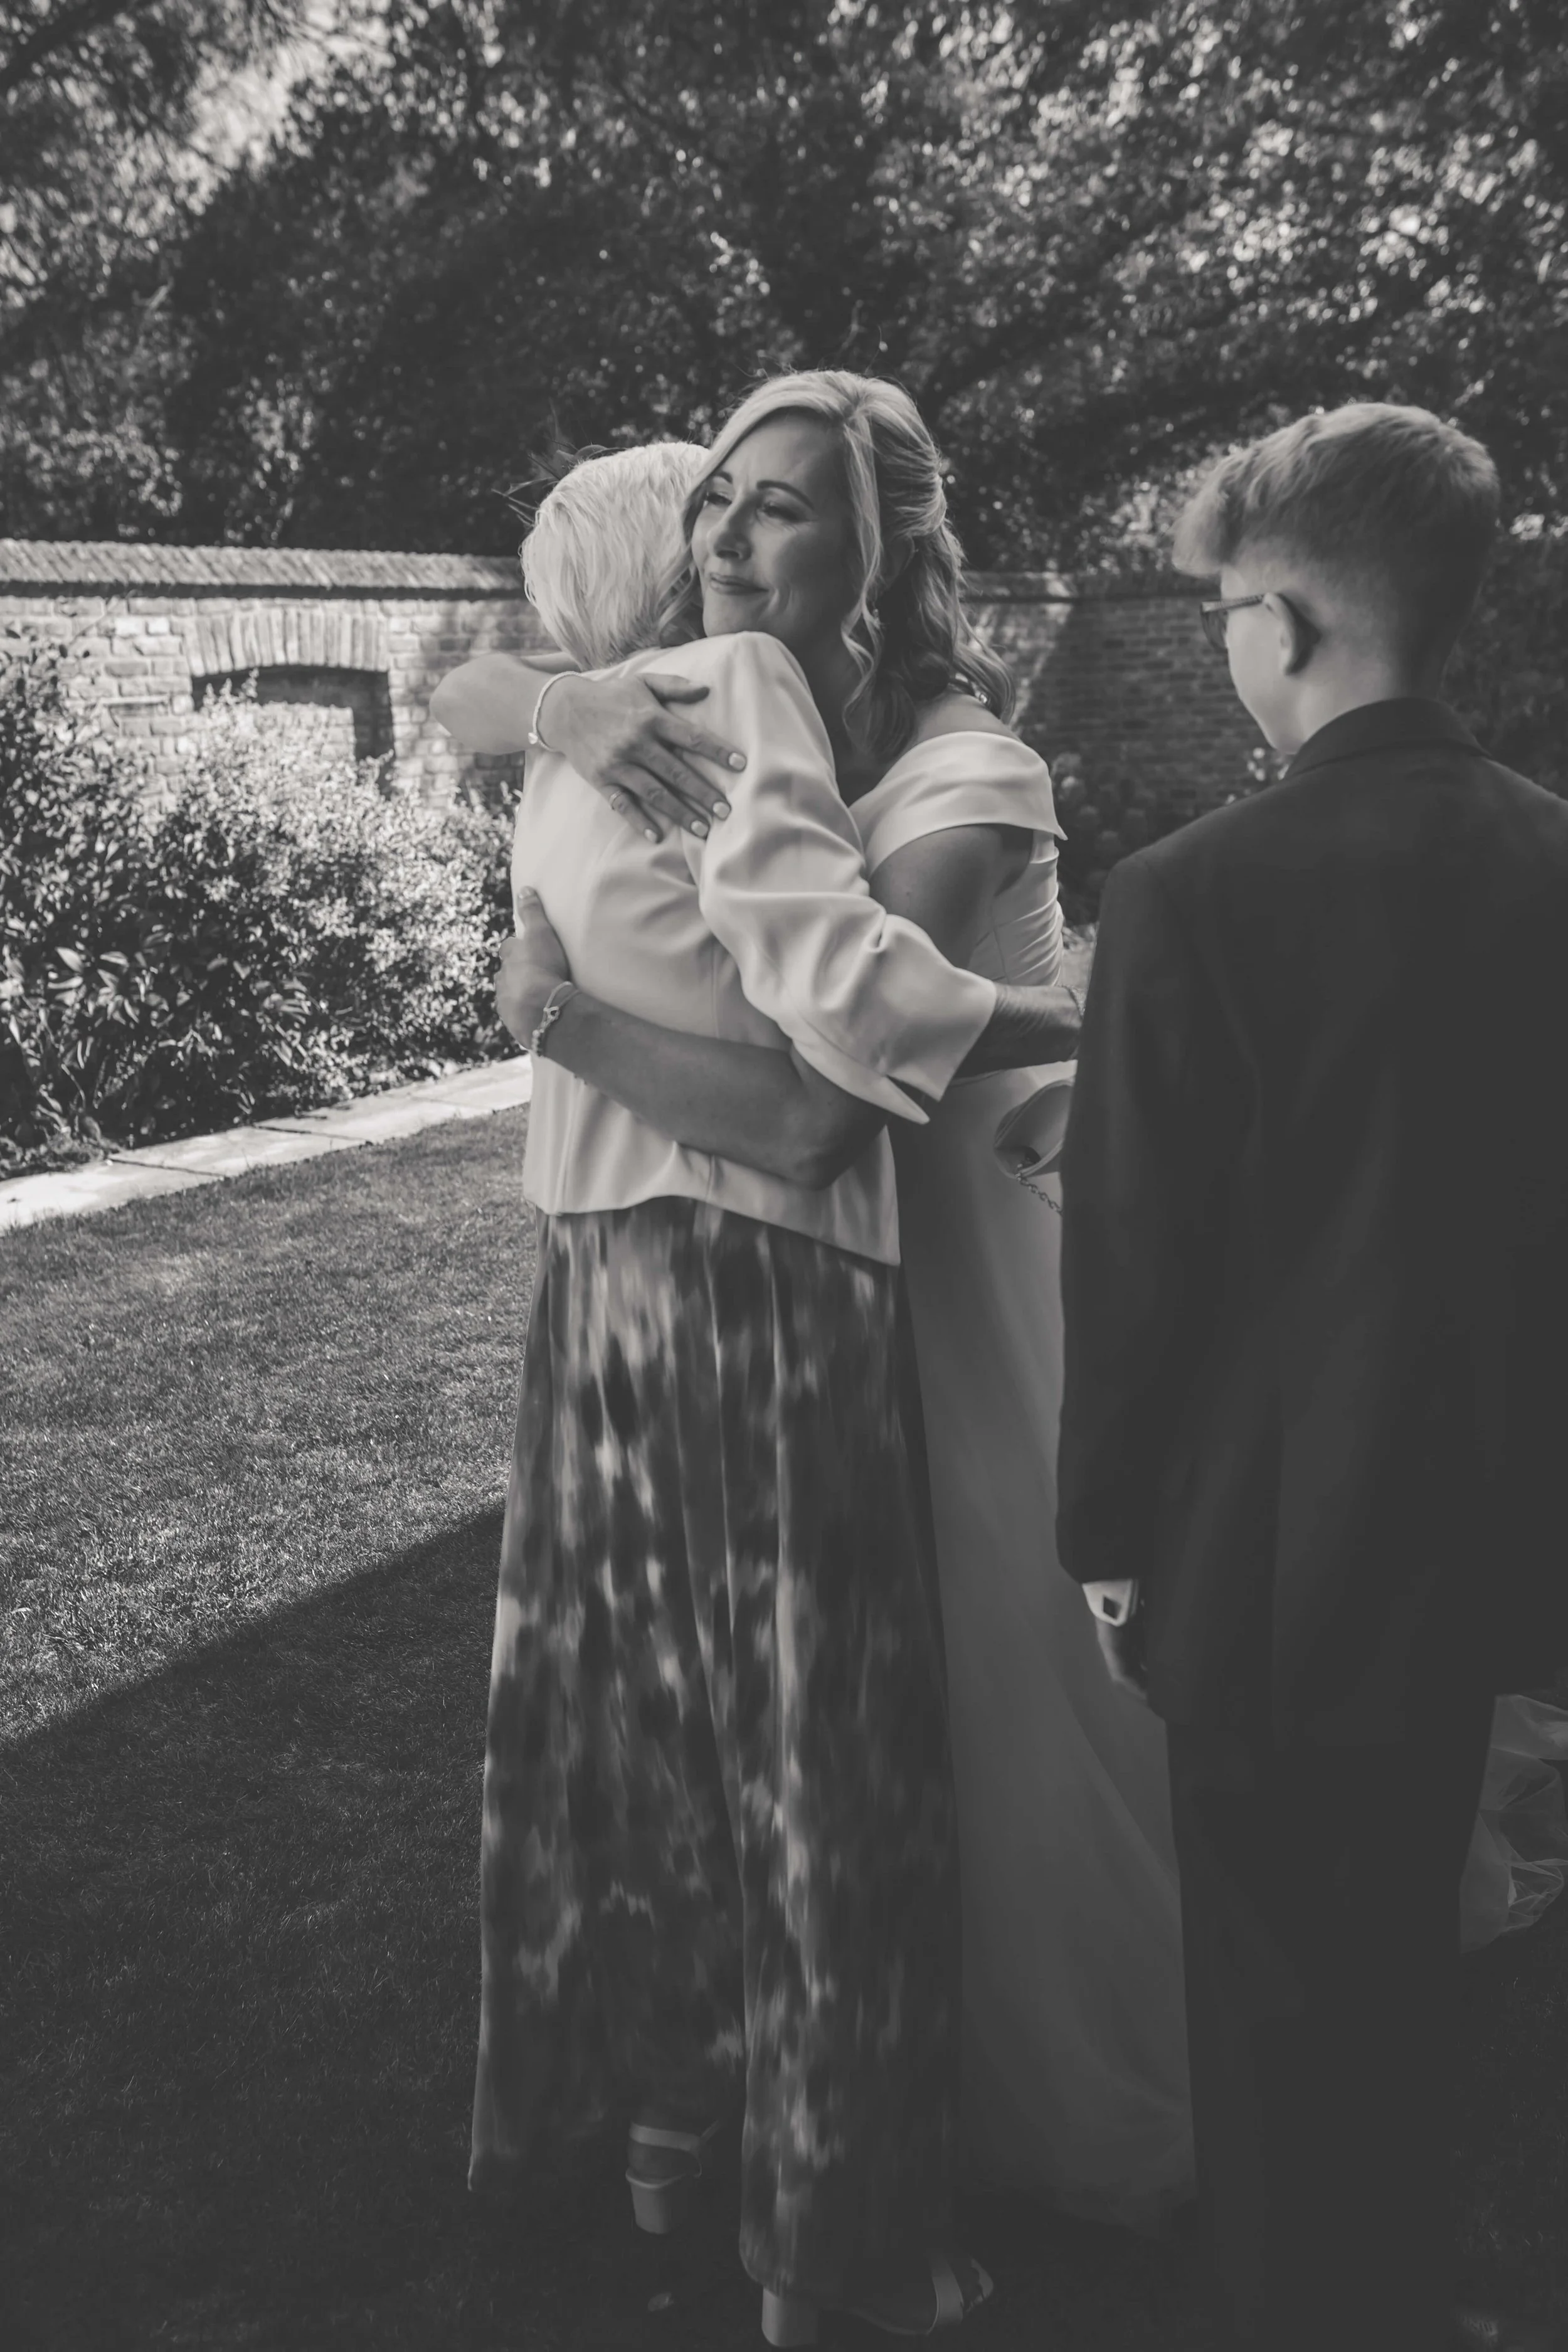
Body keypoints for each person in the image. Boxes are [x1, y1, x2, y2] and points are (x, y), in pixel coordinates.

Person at [448, 370, 1197, 2235]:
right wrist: (555, 701)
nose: (726, 535)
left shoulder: (963, 778)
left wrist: (563, 1016)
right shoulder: (724, 706)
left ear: (888, 548)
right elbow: (468, 693)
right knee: (777, 1720)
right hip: (799, 1288)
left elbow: (809, 1100)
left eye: (778, 508)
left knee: (955, 1710)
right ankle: (766, 2083)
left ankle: (962, 2098)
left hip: (937, 1281)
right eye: (717, 497)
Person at [1055, 401, 1568, 2352]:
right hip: (1480, 1513)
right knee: (1399, 1944)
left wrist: (1105, 1538)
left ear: (1275, 623)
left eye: (1221, 615)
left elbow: (1136, 1263)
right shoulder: (1549, 856)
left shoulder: (1187, 890)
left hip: (1261, 1542)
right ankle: (1399, 2299)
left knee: (1269, 1993)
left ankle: (1301, 2312)